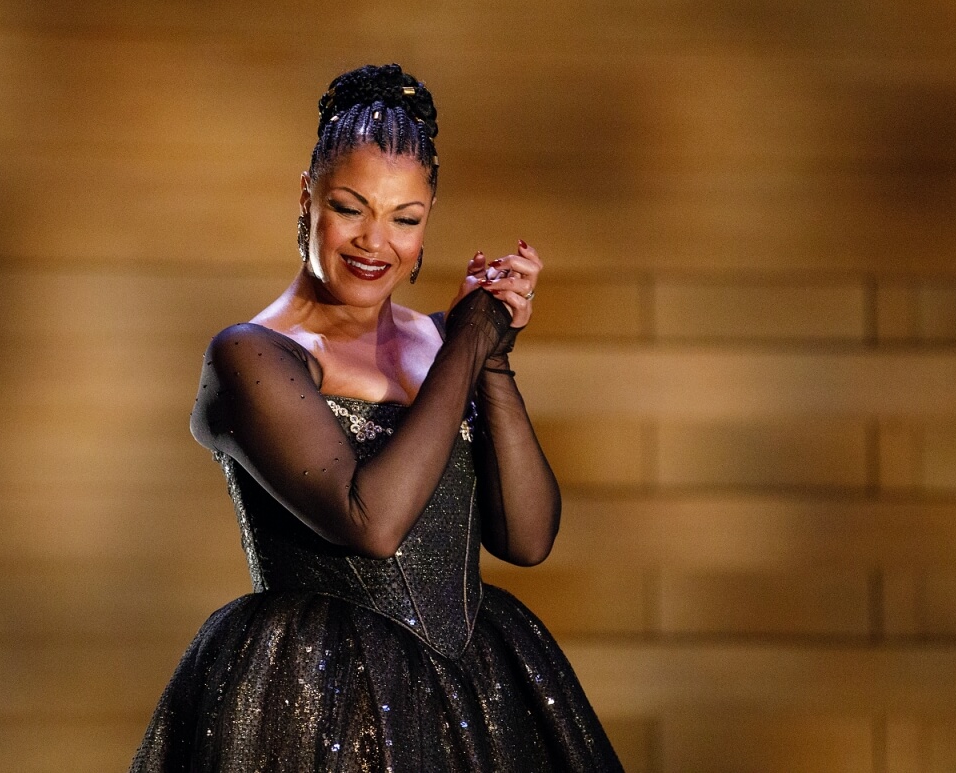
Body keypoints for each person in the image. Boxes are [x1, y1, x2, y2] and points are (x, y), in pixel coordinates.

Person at [130, 63, 623, 772]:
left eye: (405, 219)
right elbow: (372, 521)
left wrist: (491, 358)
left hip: (473, 696)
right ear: (307, 196)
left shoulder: (441, 343)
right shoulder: (252, 355)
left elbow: (527, 537)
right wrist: (467, 343)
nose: (374, 242)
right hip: (315, 704)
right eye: (350, 207)